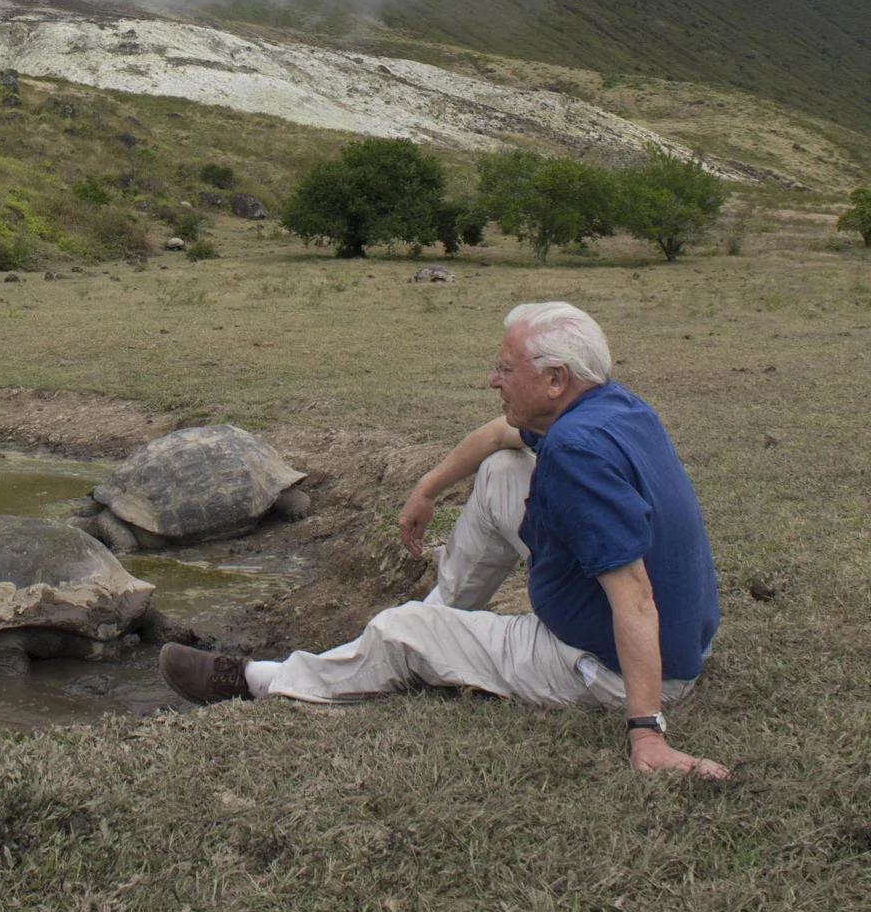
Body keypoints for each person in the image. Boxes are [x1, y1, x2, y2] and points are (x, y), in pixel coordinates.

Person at [160, 300, 730, 779]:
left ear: (555, 380)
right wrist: (427, 489)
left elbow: (633, 595)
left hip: (607, 664)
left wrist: (646, 732)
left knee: (397, 629)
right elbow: (498, 435)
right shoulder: (612, 406)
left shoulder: (576, 451)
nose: (493, 380)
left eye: (506, 369)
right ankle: (444, 621)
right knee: (503, 473)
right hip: (677, 639)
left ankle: (261, 681)